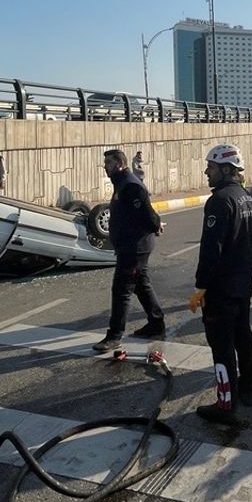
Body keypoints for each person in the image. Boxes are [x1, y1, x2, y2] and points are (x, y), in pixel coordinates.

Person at [189, 144, 252, 426]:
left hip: (221, 287)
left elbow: (211, 249)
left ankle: (226, 404)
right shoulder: (247, 198)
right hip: (243, 282)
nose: (207, 172)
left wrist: (201, 287)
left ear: (226, 169)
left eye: (212, 167)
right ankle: (248, 389)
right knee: (243, 335)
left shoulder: (219, 201)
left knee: (221, 345)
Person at [93, 149, 166, 352]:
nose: (104, 166)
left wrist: (156, 224)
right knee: (141, 285)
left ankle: (115, 335)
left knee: (122, 290)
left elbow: (146, 211)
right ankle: (156, 324)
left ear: (120, 163)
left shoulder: (130, 185)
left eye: (108, 162)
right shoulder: (122, 183)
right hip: (130, 245)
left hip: (134, 248)